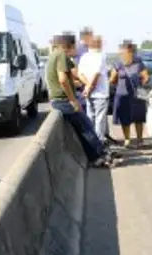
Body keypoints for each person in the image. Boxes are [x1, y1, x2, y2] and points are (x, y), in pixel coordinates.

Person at [46, 33, 113, 168]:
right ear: (69, 46)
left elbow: (72, 76)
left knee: (83, 129)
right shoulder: (61, 55)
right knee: (87, 127)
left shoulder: (55, 55)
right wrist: (73, 100)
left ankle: (95, 157)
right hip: (63, 101)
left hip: (58, 100)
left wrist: (83, 84)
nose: (77, 49)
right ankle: (101, 155)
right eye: (75, 46)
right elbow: (62, 80)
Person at [110, 41, 150, 148]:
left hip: (136, 94)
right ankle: (127, 139)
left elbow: (146, 76)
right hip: (122, 94)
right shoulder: (118, 64)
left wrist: (142, 83)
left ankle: (139, 140)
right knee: (124, 118)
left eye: (128, 51)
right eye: (123, 52)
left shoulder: (138, 62)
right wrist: (116, 82)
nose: (125, 54)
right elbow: (112, 79)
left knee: (138, 117)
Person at [78, 35, 109, 144]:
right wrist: (90, 88)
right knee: (100, 120)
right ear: (98, 44)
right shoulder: (101, 56)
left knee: (90, 119)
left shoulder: (84, 57)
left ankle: (91, 143)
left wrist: (87, 87)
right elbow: (96, 74)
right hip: (100, 94)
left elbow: (80, 74)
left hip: (89, 94)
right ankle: (99, 144)